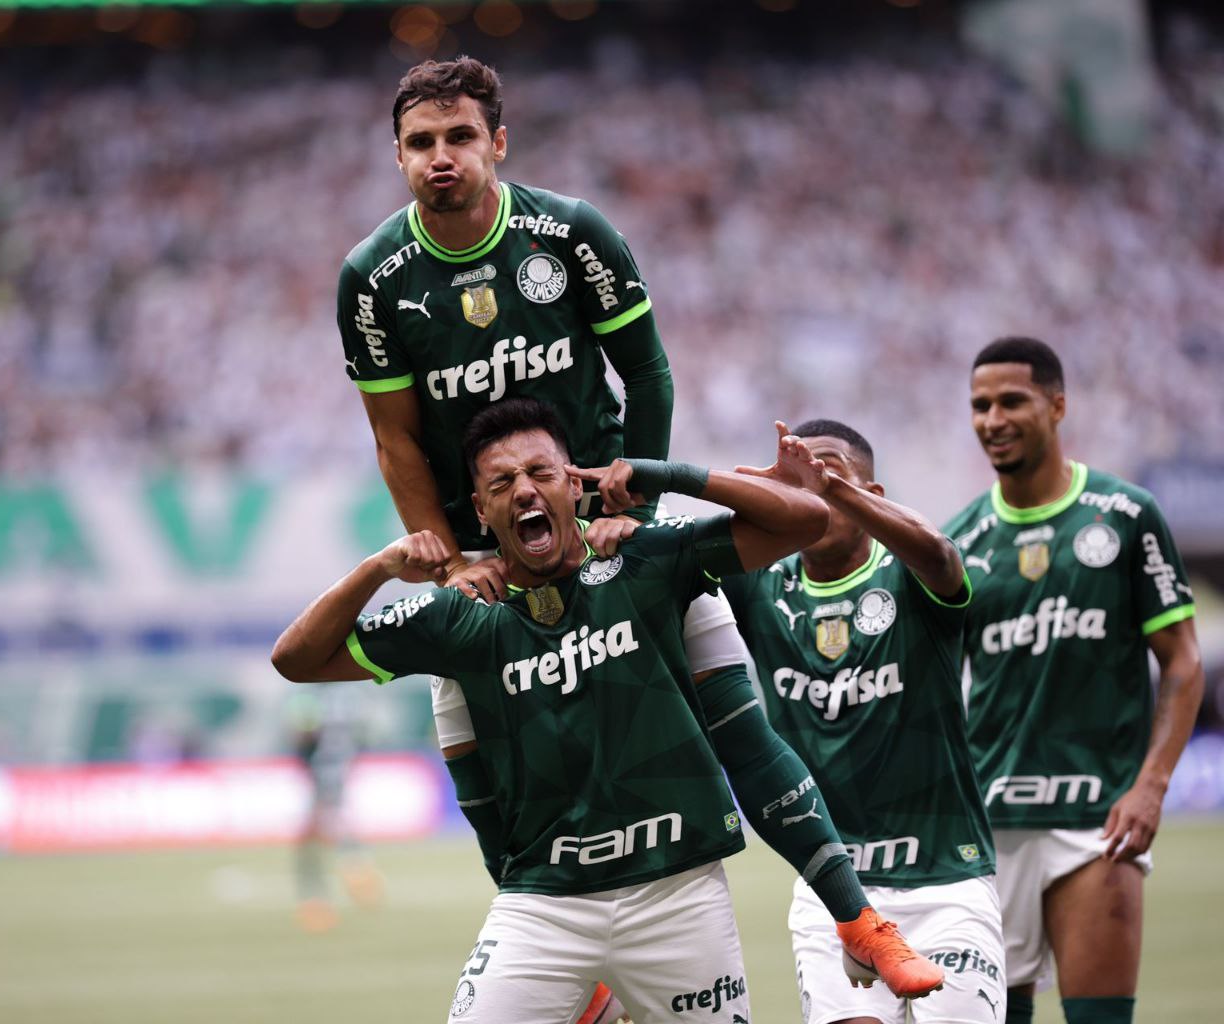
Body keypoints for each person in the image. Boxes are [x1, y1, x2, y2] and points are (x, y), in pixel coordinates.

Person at [334, 56, 897, 1020]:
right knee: (486, 771)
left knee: (739, 724)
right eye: (422, 142)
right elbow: (396, 439)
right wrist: (451, 557)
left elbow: (649, 374)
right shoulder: (374, 281)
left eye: (460, 136)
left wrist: (635, 505)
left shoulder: (573, 234)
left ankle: (856, 915)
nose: (441, 157)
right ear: (396, 154)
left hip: (610, 540)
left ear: (497, 143)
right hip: (492, 575)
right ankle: (573, 956)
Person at [273, 399, 945, 1021]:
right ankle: (591, 989)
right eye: (503, 484)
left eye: (540, 473)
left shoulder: (643, 555)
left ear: (573, 484)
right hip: (545, 908)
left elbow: (805, 519)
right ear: (480, 510)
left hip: (677, 895)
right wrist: (380, 568)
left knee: (744, 734)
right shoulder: (462, 610)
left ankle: (859, 921)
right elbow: (295, 658)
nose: (525, 490)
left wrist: (658, 474)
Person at [944, 338, 1203, 1024]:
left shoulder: (1125, 515)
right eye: (979, 405)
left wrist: (1151, 786)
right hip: (988, 827)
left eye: (1011, 401)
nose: (992, 419)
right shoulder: (962, 540)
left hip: (1098, 819)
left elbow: (1182, 661)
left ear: (1057, 406)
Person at [721, 419, 1005, 1024]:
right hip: (834, 890)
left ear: (870, 495)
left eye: (831, 477)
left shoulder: (909, 575)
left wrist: (830, 489)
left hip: (944, 880)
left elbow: (943, 557)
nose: (815, 493)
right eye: (801, 483)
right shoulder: (760, 588)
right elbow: (678, 550)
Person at [285, 686, 383, 932]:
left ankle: (320, 901)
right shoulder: (348, 697)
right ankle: (358, 878)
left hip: (324, 779)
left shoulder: (312, 698)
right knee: (327, 836)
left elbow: (304, 735)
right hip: (336, 774)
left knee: (312, 844)